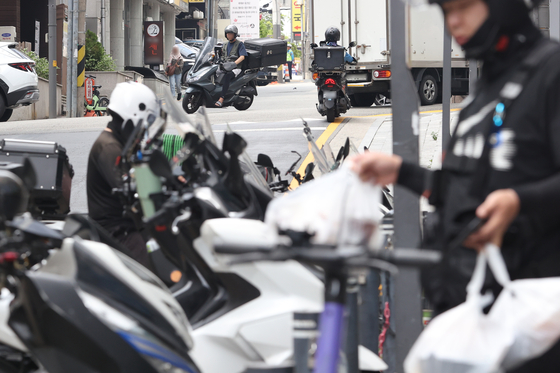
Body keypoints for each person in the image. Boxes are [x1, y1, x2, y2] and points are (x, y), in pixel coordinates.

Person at [351, 0, 560, 371]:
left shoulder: (550, 73)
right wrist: (402, 172)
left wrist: (520, 201)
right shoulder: (487, 89)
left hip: (536, 326)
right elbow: (466, 193)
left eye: (464, 7)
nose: (455, 22)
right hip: (477, 319)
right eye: (446, 11)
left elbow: (510, 194)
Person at [87, 81, 161, 270]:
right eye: (143, 126)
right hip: (116, 230)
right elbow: (129, 187)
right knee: (152, 272)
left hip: (127, 223)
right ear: (131, 119)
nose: (143, 133)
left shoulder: (118, 142)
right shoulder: (109, 147)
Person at [215, 24, 248, 107]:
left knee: (227, 76)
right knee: (214, 72)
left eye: (230, 34)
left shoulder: (239, 44)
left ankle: (221, 98)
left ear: (235, 35)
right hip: (225, 66)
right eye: (227, 34)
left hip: (236, 68)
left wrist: (234, 64)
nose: (228, 35)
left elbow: (242, 56)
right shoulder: (225, 44)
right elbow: (222, 55)